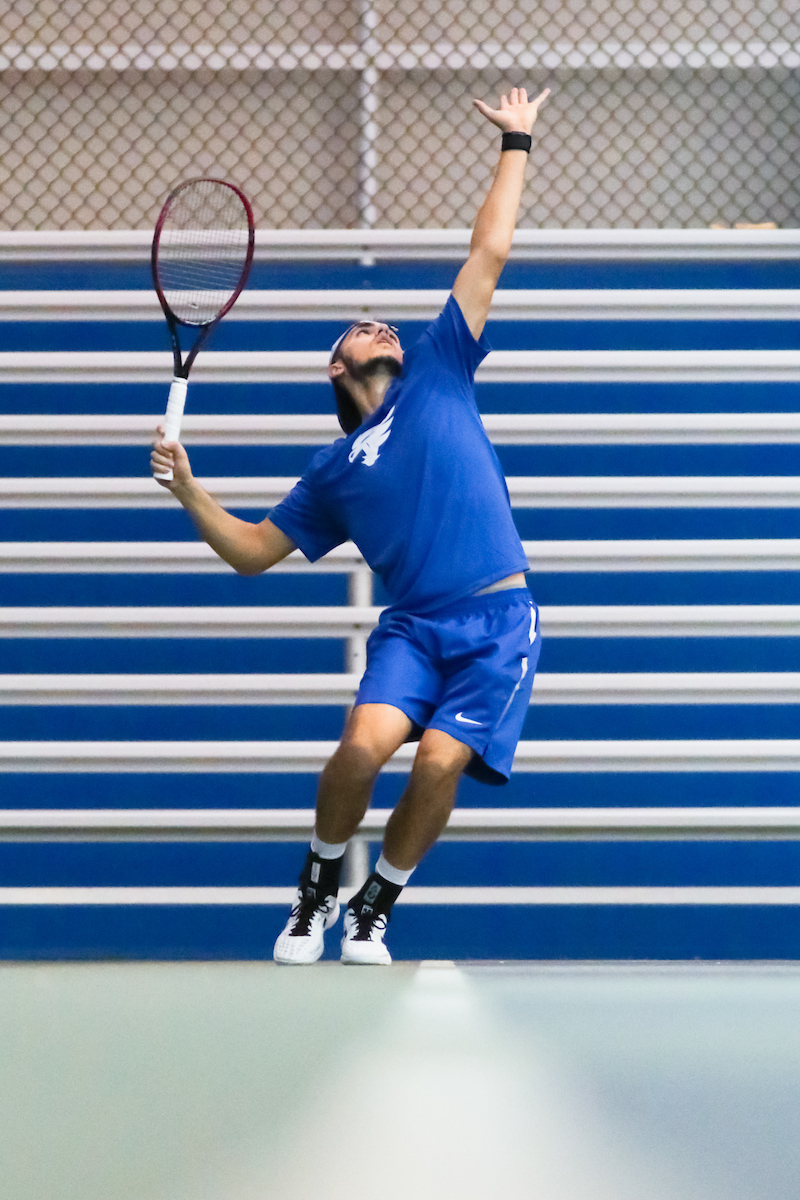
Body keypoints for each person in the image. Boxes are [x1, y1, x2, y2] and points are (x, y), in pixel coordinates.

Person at [151, 86, 549, 965]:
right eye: (360, 329)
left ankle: (375, 905)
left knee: (439, 762)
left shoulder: (440, 367)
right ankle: (317, 887)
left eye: (384, 325)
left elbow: (489, 251)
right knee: (361, 750)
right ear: (337, 368)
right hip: (414, 627)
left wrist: (516, 143)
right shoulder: (332, 470)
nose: (381, 326)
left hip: (497, 620)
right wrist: (190, 492)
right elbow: (254, 552)